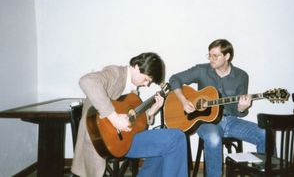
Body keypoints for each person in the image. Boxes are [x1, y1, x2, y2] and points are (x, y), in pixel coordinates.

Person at [71, 52, 188, 177]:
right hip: (103, 142)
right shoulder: (115, 73)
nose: (146, 84)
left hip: (124, 139)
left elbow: (134, 120)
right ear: (137, 67)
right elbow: (87, 81)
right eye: (146, 79)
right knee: (176, 138)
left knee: (169, 142)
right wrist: (114, 118)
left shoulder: (132, 90)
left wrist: (151, 111)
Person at [169, 39, 265, 177]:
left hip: (231, 121)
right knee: (214, 138)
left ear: (227, 57)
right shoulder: (202, 70)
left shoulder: (241, 76)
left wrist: (242, 108)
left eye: (215, 56)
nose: (211, 59)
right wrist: (183, 100)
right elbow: (174, 79)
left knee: (264, 133)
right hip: (206, 123)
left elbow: (240, 112)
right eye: (209, 55)